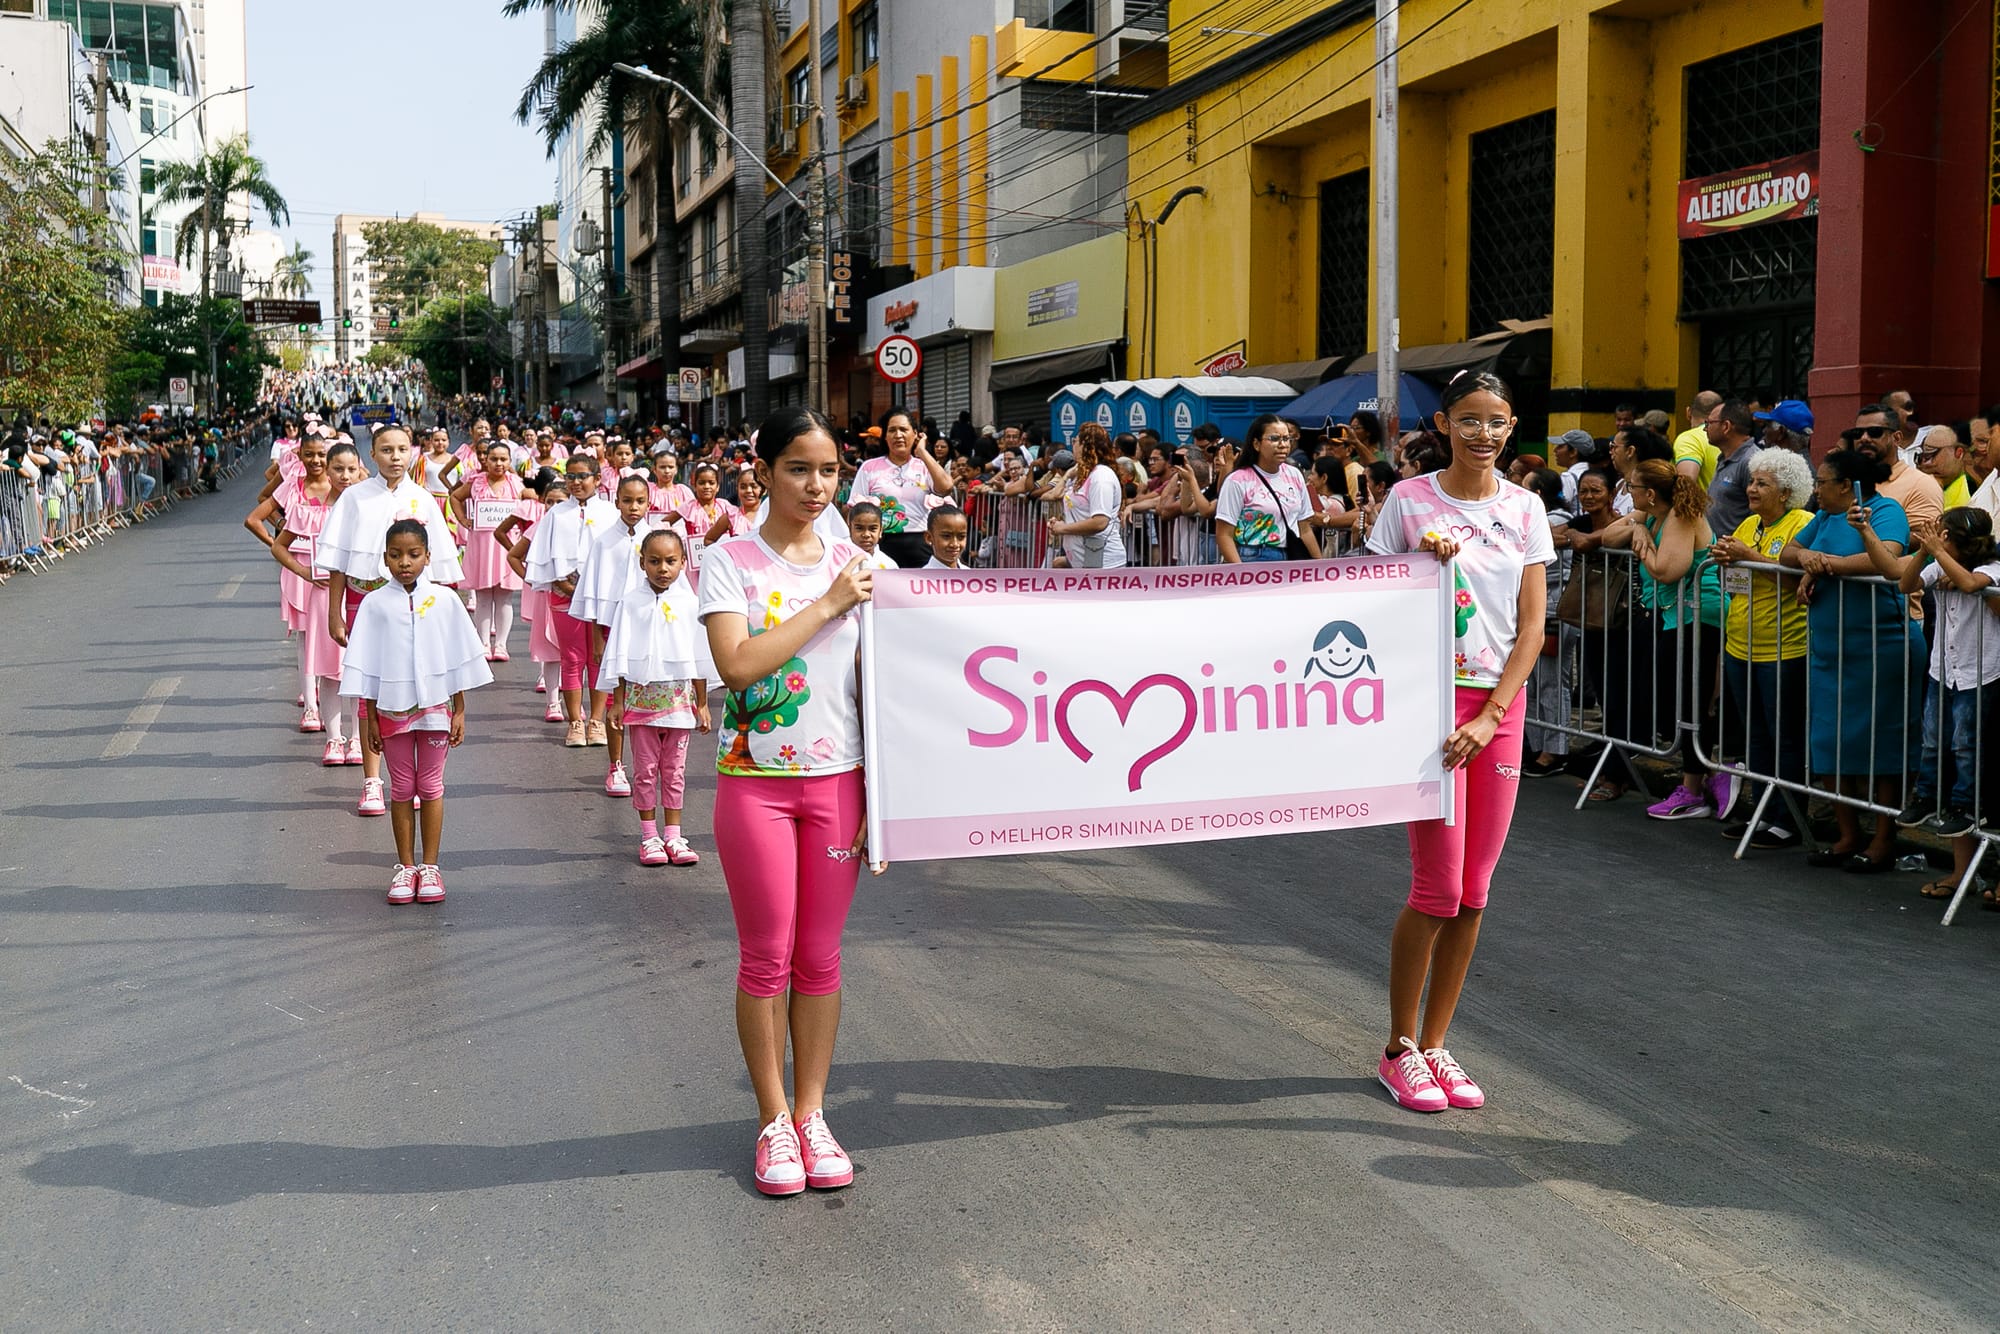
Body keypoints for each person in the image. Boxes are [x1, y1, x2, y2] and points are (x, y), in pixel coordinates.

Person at [699, 406, 876, 1197]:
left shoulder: (860, 561)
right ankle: (773, 1122)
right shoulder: (727, 560)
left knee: (820, 957)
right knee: (767, 956)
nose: (816, 485)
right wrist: (830, 603)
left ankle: (813, 1114)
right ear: (765, 470)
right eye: (799, 468)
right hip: (755, 786)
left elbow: (893, 682)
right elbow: (738, 666)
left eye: (830, 470)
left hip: (839, 784)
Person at [1364, 371, 1551, 1114]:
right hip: (1430, 708)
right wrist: (1418, 567)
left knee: (1474, 892)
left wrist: (1491, 713)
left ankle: (1437, 1043)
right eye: (1469, 420)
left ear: (1511, 427)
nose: (1484, 434)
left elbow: (1533, 626)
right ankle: (1398, 1049)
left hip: (1498, 708)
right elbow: (1368, 598)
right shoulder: (1409, 503)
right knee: (1436, 890)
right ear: (1443, 423)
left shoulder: (1527, 507)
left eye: (1497, 421)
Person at [1779, 447, 1927, 872]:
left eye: (1822, 483)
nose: (1816, 490)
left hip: (1880, 648)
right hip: (1830, 650)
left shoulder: (1884, 511)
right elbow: (1790, 550)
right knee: (1828, 741)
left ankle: (1884, 838)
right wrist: (1807, 559)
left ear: (1847, 486)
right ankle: (1848, 833)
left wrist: (1828, 566)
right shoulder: (1825, 517)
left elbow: (1888, 560)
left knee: (1883, 745)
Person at [341, 519, 493, 905]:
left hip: (436, 709)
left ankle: (430, 866)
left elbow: (457, 655)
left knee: (431, 786)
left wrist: (459, 708)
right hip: (391, 711)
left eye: (412, 555)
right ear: (385, 559)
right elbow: (368, 663)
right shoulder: (375, 604)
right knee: (402, 788)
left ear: (428, 556)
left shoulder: (444, 600)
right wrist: (371, 716)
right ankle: (405, 867)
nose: (404, 562)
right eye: (395, 555)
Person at [319, 425, 464, 818]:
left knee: (413, 683)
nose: (395, 457)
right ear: (372, 455)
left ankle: (413, 779)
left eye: (402, 449)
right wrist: (335, 613)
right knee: (370, 687)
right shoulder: (354, 499)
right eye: (386, 449)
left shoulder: (424, 499)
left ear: (412, 453)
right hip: (364, 599)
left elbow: (442, 567)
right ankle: (372, 780)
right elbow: (337, 561)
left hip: (415, 606)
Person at [1597, 458, 1729, 821]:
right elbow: (1608, 536)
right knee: (1667, 700)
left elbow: (1667, 570)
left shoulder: (1680, 517)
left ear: (1650, 493)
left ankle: (1698, 783)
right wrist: (1636, 529)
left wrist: (1643, 543)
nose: (1628, 493)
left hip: (1699, 615)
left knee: (1687, 702)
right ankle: (1707, 775)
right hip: (1675, 616)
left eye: (1632, 488)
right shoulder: (1653, 514)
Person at [1709, 448, 1815, 849]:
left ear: (1786, 493)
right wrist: (1726, 559)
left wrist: (1747, 557)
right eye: (1752, 481)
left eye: (1762, 484)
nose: (1751, 489)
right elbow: (1742, 571)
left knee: (1784, 736)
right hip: (1741, 644)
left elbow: (1797, 581)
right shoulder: (1751, 522)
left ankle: (1787, 819)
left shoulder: (1801, 524)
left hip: (1784, 647)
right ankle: (1761, 811)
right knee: (1754, 734)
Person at [1883, 509, 2000, 868]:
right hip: (1943, 668)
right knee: (1933, 737)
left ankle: (1967, 803)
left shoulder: (1992, 569)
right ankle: (1927, 794)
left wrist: (1940, 553)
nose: (1938, 540)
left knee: (1966, 743)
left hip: (1978, 671)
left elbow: (1969, 583)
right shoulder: (1940, 564)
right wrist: (1923, 552)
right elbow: (1905, 584)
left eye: (1944, 535)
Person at [600, 529, 712, 867]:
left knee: (674, 771)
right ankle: (649, 835)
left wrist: (702, 703)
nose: (663, 568)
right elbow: (619, 653)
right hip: (641, 706)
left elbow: (699, 656)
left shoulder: (690, 603)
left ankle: (674, 835)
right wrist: (618, 702)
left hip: (679, 705)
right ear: (642, 563)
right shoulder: (631, 603)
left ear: (682, 563)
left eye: (671, 561)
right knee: (646, 771)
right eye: (655, 561)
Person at [268, 441, 367, 765]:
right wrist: (304, 572)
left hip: (362, 597)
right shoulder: (307, 509)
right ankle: (334, 739)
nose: (345, 476)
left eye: (352, 470)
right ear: (328, 468)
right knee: (329, 671)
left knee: (358, 670)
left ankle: (356, 738)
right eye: (338, 469)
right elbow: (279, 546)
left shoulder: (370, 508)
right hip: (324, 597)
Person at [574, 474, 664, 795]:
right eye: (627, 500)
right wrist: (598, 639)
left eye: (640, 501)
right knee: (616, 697)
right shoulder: (604, 541)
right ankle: (616, 766)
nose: (633, 507)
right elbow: (597, 592)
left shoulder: (657, 538)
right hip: (613, 631)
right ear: (616, 502)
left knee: (650, 696)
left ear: (649, 503)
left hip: (648, 629)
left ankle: (649, 764)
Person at [523, 457, 619, 747]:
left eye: (583, 476)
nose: (577, 482)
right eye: (571, 477)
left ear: (598, 479)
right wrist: (563, 583)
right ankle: (576, 720)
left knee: (599, 660)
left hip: (601, 598)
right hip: (564, 593)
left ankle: (597, 721)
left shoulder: (610, 512)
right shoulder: (555, 514)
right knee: (573, 659)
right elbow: (544, 554)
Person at [449, 439, 527, 661]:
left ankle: (501, 644)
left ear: (510, 461)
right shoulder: (476, 482)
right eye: (494, 459)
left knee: (503, 598)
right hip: (482, 544)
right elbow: (455, 497)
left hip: (506, 546)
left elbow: (530, 503)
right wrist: (463, 519)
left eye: (503, 459)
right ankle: (483, 643)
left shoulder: (516, 484)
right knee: (483, 597)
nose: (498, 463)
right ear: (485, 460)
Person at [494, 468, 564, 713]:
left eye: (561, 502)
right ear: (542, 503)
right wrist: (531, 579)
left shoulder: (581, 528)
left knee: (575, 653)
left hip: (573, 600)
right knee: (550, 649)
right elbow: (514, 556)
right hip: (547, 598)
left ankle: (575, 706)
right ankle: (553, 703)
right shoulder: (538, 528)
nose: (554, 507)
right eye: (550, 502)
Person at [849, 408, 951, 568]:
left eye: (903, 430)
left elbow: (946, 488)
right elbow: (855, 508)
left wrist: (922, 452)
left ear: (915, 434)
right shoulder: (869, 467)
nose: (898, 435)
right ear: (885, 436)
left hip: (921, 544)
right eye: (892, 430)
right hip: (881, 545)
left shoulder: (925, 466)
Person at [1520, 468, 1572, 777]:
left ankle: (1555, 749)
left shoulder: (1551, 522)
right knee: (1535, 681)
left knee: (1553, 681)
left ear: (1537, 495)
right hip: (1539, 611)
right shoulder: (1543, 523)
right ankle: (1537, 744)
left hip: (1554, 612)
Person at [1216, 414, 1320, 563]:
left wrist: (1321, 567)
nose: (1283, 445)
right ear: (1256, 444)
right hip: (1253, 558)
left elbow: (1304, 528)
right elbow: (1224, 534)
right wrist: (1240, 573)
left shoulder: (1295, 475)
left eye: (1286, 439)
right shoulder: (1238, 480)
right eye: (1274, 439)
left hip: (1291, 556)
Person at [1853, 403, 1943, 534]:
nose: (1864, 438)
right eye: (1858, 433)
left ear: (1897, 438)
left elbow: (1923, 538)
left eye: (1875, 432)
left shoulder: (1921, 484)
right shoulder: (1844, 481)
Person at [1701, 399, 1761, 536]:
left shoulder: (1752, 461)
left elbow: (1759, 517)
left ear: (1726, 426)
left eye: (1709, 423)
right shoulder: (1724, 458)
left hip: (1735, 552)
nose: (1705, 428)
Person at [1673, 390, 1724, 490]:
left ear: (1688, 412)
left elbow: (1686, 484)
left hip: (1702, 505)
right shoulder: (1728, 435)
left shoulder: (1689, 439)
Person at [845, 501, 898, 570]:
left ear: (880, 531)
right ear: (850, 529)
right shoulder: (840, 558)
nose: (866, 534)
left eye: (872, 529)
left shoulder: (889, 565)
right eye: (859, 528)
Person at [923, 504, 972, 569]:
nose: (955, 544)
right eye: (946, 536)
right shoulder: (921, 577)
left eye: (961, 537)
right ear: (929, 537)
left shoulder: (971, 574)